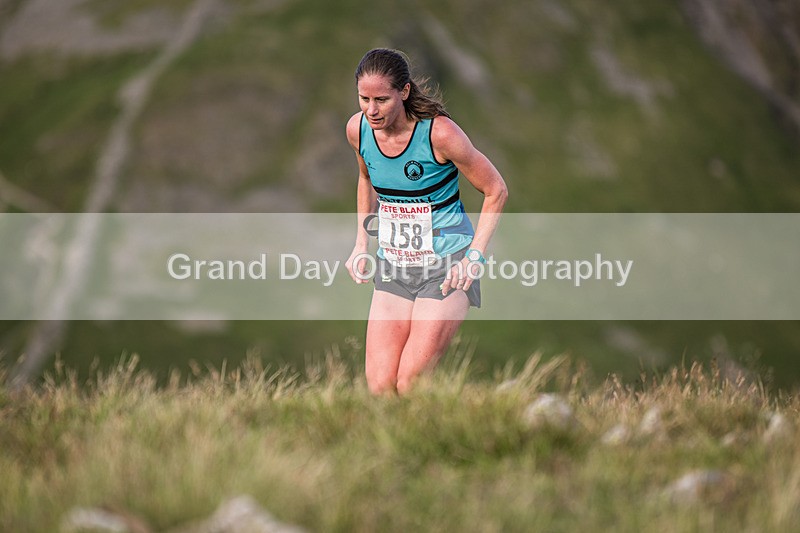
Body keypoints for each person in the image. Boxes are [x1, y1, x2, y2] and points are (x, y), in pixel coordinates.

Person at [345, 48, 508, 395]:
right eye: (364, 99)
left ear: (403, 92)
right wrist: (361, 244)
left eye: (382, 100)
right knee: (380, 385)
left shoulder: (440, 134)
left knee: (410, 382)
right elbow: (365, 180)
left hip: (447, 267)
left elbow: (496, 190)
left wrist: (474, 258)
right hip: (394, 266)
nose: (371, 110)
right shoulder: (358, 130)